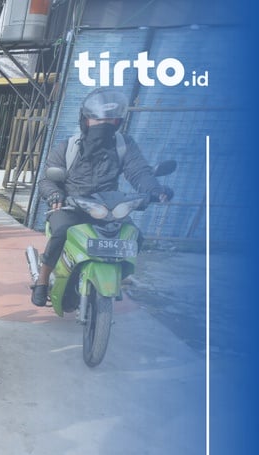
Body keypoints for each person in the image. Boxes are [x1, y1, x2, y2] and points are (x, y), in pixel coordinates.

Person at [30, 87, 172, 307]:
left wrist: (155, 190)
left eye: (110, 121)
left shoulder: (124, 145)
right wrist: (55, 195)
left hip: (108, 207)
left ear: (118, 123)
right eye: (97, 120)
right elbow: (47, 179)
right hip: (72, 204)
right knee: (60, 233)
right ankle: (42, 280)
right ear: (85, 120)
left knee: (135, 236)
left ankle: (114, 276)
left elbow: (138, 172)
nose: (103, 126)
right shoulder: (68, 146)